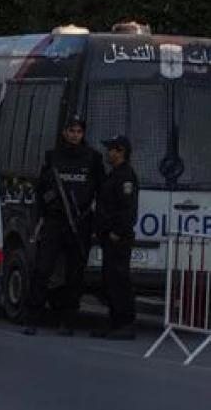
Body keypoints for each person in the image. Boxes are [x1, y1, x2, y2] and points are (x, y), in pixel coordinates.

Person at [23, 116, 104, 336]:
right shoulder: (53, 156)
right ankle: (32, 318)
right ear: (64, 133)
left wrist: (94, 219)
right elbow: (42, 189)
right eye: (71, 130)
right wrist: (43, 214)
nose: (75, 135)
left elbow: (101, 190)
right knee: (42, 270)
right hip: (55, 222)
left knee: (75, 275)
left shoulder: (93, 158)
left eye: (78, 131)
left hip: (81, 223)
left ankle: (67, 321)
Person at [92, 135, 139, 340]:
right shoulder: (115, 174)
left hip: (118, 239)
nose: (107, 153)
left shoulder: (125, 176)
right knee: (110, 280)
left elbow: (128, 210)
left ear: (120, 151)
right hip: (109, 238)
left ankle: (125, 323)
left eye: (110, 149)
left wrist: (117, 232)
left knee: (119, 280)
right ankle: (114, 321)